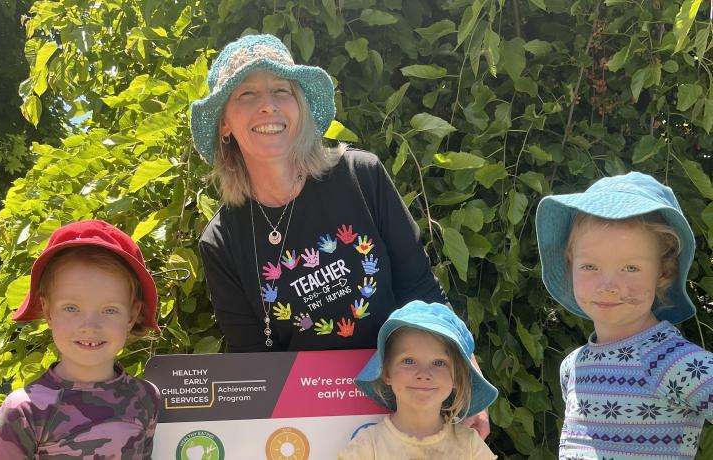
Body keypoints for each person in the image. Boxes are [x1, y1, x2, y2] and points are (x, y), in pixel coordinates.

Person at [190, 33, 491, 438]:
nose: (268, 104)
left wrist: (467, 374)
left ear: (300, 107)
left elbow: (421, 291)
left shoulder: (360, 176)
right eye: (246, 94)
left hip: (404, 405)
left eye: (282, 90)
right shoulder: (222, 242)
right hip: (306, 426)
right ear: (225, 124)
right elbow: (253, 363)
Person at [535, 172, 713, 458]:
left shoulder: (676, 363)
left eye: (630, 268)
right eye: (590, 267)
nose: (608, 287)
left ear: (663, 273)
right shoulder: (572, 366)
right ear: (571, 267)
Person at [0, 220, 160, 459]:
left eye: (109, 310)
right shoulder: (24, 412)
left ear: (131, 316)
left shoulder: (147, 399)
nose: (89, 326)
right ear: (48, 312)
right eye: (71, 308)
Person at [338, 300, 497, 459]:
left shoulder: (469, 446)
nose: (424, 374)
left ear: (457, 377)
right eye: (408, 361)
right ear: (386, 372)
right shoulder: (367, 446)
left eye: (439, 363)